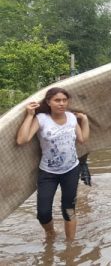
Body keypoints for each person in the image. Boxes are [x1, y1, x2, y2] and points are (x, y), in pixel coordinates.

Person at [16, 87, 90, 241]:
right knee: (43, 213)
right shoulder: (42, 119)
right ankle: (50, 233)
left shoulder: (71, 117)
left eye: (64, 100)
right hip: (48, 172)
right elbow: (22, 140)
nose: (61, 103)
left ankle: (70, 246)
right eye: (57, 100)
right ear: (49, 102)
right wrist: (29, 116)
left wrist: (85, 120)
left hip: (71, 170)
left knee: (68, 209)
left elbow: (82, 139)